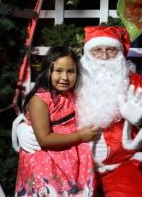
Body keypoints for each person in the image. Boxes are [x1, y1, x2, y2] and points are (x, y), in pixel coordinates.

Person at [12, 26, 142, 196]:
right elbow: (46, 103)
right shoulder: (73, 80)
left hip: (120, 164)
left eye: (111, 50)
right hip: (72, 163)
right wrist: (22, 126)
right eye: (97, 50)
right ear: (87, 54)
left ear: (120, 54)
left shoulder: (135, 84)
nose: (104, 56)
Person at [14, 46, 98, 196]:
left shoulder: (71, 95)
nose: (65, 77)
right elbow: (45, 139)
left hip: (70, 160)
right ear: (48, 71)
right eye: (59, 71)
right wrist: (80, 137)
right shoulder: (39, 100)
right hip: (46, 161)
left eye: (70, 71)